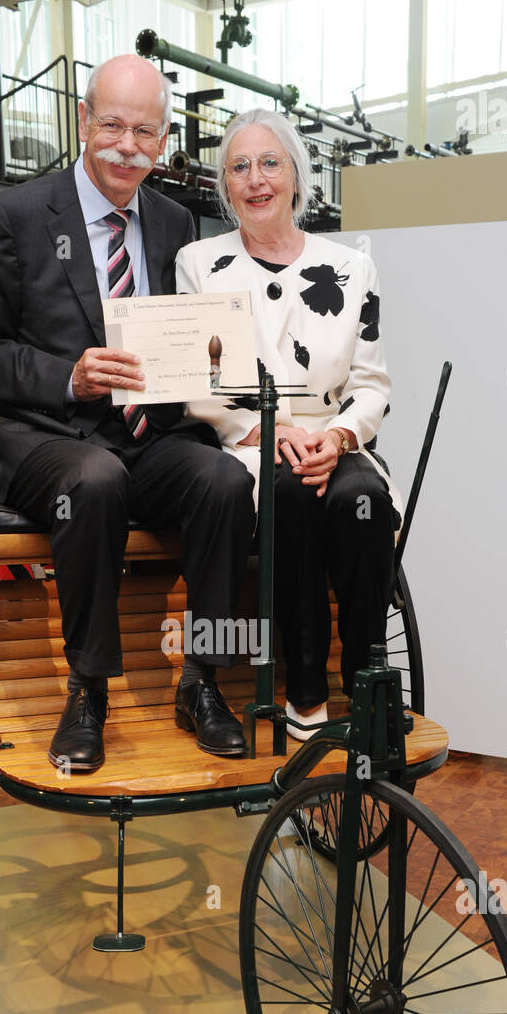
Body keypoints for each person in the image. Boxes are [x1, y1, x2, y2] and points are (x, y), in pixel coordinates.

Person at [0, 54, 255, 773]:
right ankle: (88, 689)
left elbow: (198, 338)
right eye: (111, 125)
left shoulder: (177, 222)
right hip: (50, 436)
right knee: (93, 479)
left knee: (224, 481)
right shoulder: (13, 216)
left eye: (144, 131)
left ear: (164, 137)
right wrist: (67, 376)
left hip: (148, 435)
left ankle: (201, 679)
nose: (126, 145)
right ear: (83, 123)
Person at [175, 108, 403, 738]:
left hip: (334, 441)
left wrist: (336, 438)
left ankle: (366, 678)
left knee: (364, 501)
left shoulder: (353, 267)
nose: (255, 180)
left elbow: (371, 385)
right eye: (239, 167)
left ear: (297, 178)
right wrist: (269, 432)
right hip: (254, 446)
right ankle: (305, 693)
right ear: (225, 185)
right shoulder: (199, 263)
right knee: (290, 497)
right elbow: (201, 384)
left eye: (269, 163)